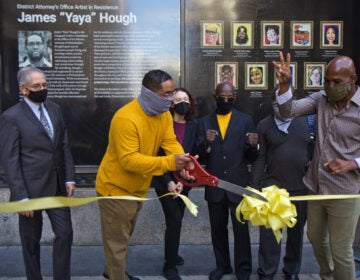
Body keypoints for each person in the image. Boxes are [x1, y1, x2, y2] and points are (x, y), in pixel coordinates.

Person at [96, 69, 195, 280]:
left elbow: (170, 142)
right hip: (116, 190)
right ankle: (116, 275)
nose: (171, 99)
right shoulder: (126, 118)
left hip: (137, 188)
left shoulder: (162, 116)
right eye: (166, 94)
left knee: (121, 238)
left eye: (172, 93)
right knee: (117, 243)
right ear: (149, 94)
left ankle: (113, 270)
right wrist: (170, 162)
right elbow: (128, 160)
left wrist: (182, 163)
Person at [273, 51, 360, 280]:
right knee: (315, 237)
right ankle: (328, 276)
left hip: (344, 192)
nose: (331, 86)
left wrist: (352, 163)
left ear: (353, 79)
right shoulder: (321, 99)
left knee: (341, 250)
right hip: (316, 185)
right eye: (327, 81)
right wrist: (284, 86)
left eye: (337, 82)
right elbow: (287, 111)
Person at [0, 67, 75, 279]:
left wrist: (69, 177)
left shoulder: (54, 109)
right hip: (29, 191)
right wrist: (21, 196)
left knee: (65, 233)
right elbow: (10, 160)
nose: (42, 89)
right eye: (36, 86)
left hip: (58, 186)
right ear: (23, 89)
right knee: (31, 241)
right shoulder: (11, 117)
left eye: (44, 85)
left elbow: (63, 145)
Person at [196, 81, 259, 280]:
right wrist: (205, 143)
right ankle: (222, 266)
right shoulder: (204, 122)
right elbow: (200, 158)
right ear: (215, 97)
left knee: (241, 230)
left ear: (235, 98)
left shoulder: (246, 120)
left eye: (230, 98)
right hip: (214, 184)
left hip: (237, 185)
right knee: (217, 229)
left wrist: (254, 147)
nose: (226, 101)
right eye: (222, 97)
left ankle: (243, 269)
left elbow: (252, 158)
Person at [251, 86, 312, 280]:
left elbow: (316, 150)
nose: (281, 106)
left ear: (295, 101)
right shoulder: (264, 125)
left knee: (296, 235)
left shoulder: (307, 122)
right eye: (277, 102)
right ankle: (266, 272)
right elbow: (260, 158)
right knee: (269, 236)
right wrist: (255, 187)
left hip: (301, 187)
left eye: (286, 101)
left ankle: (292, 270)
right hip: (272, 189)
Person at [151, 88, 198, 280]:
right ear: (171, 104)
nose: (182, 102)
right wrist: (169, 181)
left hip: (185, 181)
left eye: (186, 98)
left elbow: (196, 151)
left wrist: (187, 177)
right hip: (165, 182)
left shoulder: (194, 125)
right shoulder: (163, 124)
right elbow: (156, 156)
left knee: (177, 219)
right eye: (178, 99)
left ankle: (173, 253)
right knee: (174, 220)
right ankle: (169, 266)